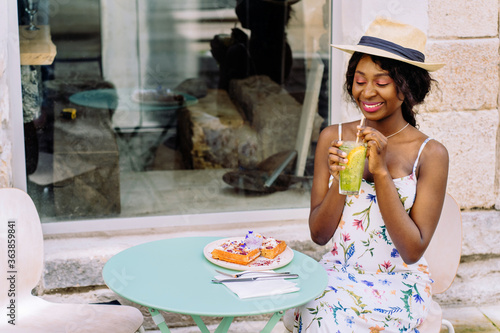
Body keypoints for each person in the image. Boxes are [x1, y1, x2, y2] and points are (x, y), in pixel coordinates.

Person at [288, 17, 449, 332]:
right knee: (309, 309)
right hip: (339, 275)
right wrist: (345, 178)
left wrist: (381, 172)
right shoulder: (332, 138)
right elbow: (319, 235)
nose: (367, 92)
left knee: (328, 321)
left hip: (400, 283)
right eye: (360, 80)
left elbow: (412, 250)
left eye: (382, 81)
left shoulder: (430, 154)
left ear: (408, 87)